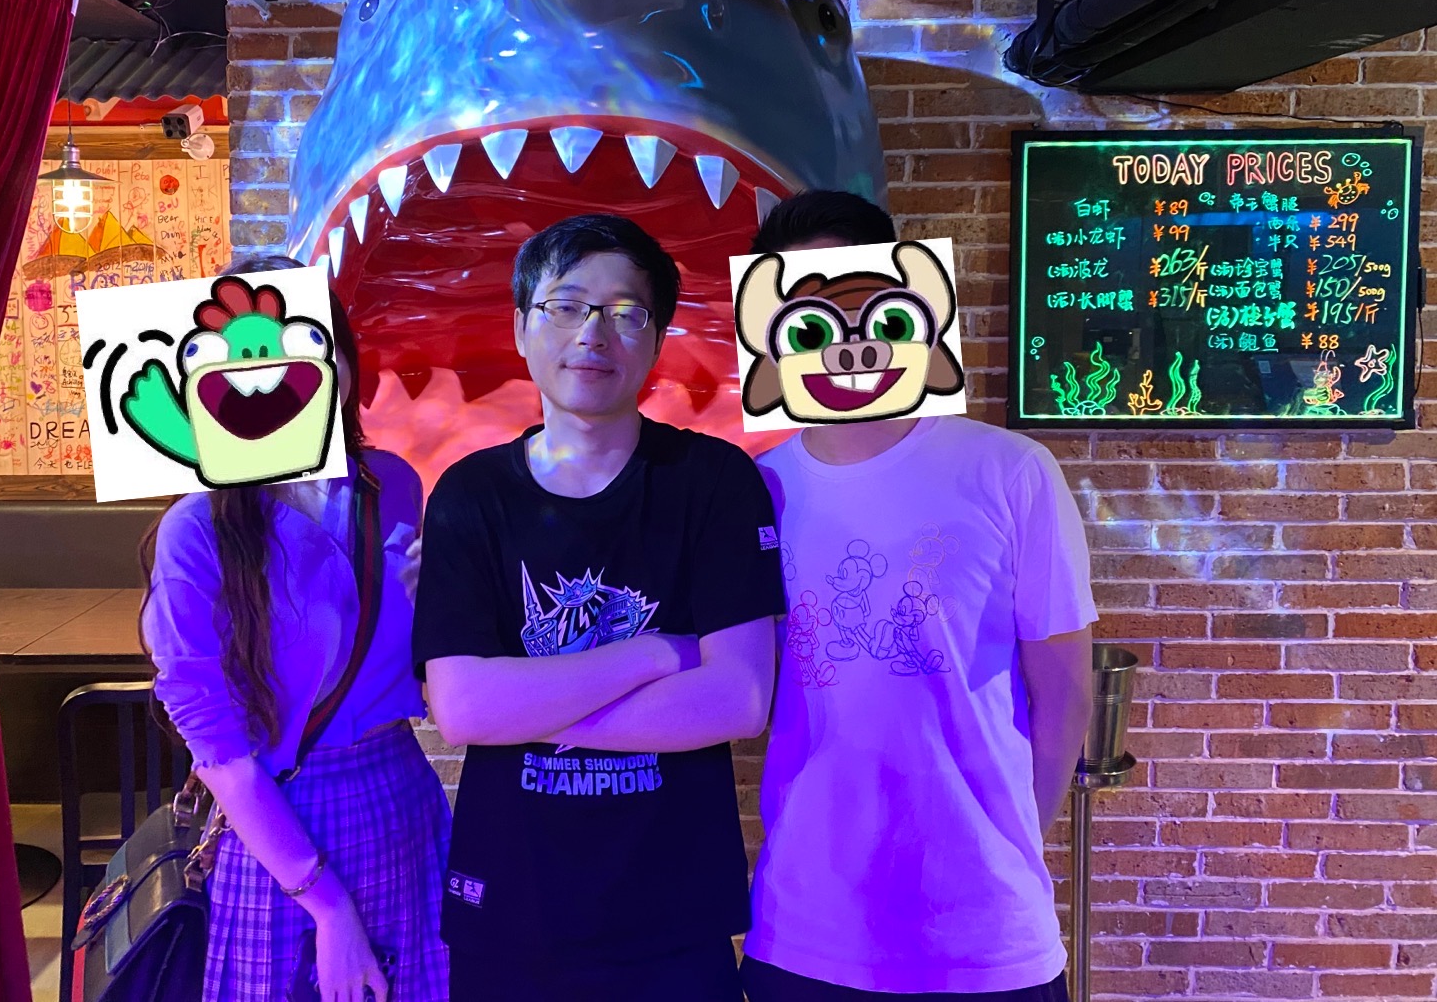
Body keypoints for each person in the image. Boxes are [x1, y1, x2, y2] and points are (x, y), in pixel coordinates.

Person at [410, 214, 785, 1002]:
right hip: (509, 908)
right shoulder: (470, 494)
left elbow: (739, 699)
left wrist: (525, 706)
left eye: (625, 311)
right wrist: (655, 653)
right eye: (566, 305)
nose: (594, 332)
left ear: (656, 338)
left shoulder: (712, 480)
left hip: (672, 918)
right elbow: (463, 708)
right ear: (522, 326)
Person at [740, 190, 1096, 1002]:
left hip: (983, 937)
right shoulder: (759, 486)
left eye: (859, 302)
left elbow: (1065, 692)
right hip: (805, 929)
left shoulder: (1008, 469)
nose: (845, 342)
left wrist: (1006, 842)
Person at [142, 254, 450, 1002]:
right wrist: (328, 907)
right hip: (278, 826)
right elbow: (216, 746)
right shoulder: (196, 528)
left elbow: (418, 668)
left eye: (311, 341)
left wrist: (440, 605)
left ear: (342, 364)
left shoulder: (390, 484)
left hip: (399, 792)